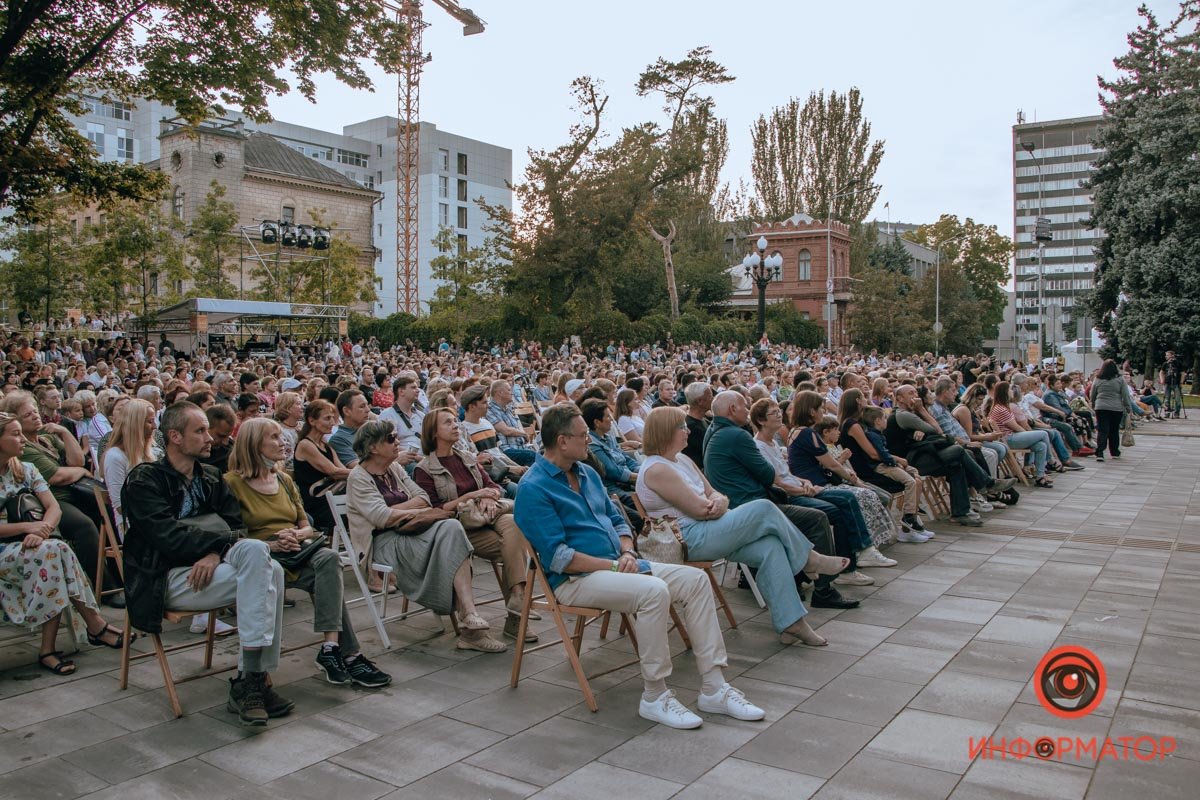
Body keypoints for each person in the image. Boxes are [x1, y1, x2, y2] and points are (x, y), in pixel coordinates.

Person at [517, 403, 773, 729]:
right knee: (653, 592)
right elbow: (560, 558)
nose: (591, 440)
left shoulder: (587, 473)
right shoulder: (534, 487)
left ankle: (714, 686)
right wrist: (614, 564)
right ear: (562, 441)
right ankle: (654, 695)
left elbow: (617, 521)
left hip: (620, 565)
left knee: (696, 581)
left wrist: (625, 550)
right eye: (583, 436)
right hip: (577, 579)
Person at [122, 402, 291, 727]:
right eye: (199, 431)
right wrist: (219, 543)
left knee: (266, 561)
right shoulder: (145, 481)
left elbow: (237, 527)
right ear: (174, 436)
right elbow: (168, 538)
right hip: (166, 579)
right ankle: (252, 681)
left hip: (211, 569)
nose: (209, 437)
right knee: (272, 569)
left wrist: (215, 552)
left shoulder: (211, 477)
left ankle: (250, 680)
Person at [635, 405, 849, 646]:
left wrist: (719, 501)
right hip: (687, 538)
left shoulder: (681, 459)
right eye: (681, 427)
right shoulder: (657, 469)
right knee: (764, 507)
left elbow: (714, 493)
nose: (688, 431)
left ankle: (792, 624)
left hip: (708, 531)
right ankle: (809, 559)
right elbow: (700, 510)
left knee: (771, 546)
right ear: (666, 431)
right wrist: (717, 503)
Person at [225, 418, 391, 688]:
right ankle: (349, 655)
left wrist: (296, 534)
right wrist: (272, 543)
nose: (283, 442)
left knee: (329, 558)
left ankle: (330, 648)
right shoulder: (232, 483)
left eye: (282, 436)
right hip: (263, 556)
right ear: (254, 444)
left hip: (296, 550)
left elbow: (306, 525)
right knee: (327, 573)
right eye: (275, 437)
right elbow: (232, 535)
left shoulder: (283, 479)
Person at [346, 420, 506, 653]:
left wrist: (404, 510)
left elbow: (424, 498)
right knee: (450, 538)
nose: (397, 441)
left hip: (412, 532)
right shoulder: (358, 477)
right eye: (391, 438)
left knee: (451, 527)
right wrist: (417, 510)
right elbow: (382, 517)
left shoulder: (394, 469)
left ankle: (469, 615)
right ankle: (471, 628)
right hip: (384, 543)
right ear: (372, 447)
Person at [0, 412, 132, 675]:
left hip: (36, 545)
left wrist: (44, 529)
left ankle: (51, 649)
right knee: (55, 551)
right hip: (6, 547)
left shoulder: (24, 469)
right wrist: (30, 527)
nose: (22, 438)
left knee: (52, 551)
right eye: (15, 434)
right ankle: (93, 626)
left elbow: (53, 507)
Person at [413, 408, 535, 642]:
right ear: (434, 432)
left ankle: (517, 597)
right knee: (514, 545)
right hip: (459, 528)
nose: (455, 425)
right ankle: (516, 617)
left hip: (489, 518)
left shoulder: (466, 457)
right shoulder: (425, 469)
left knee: (512, 524)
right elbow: (435, 510)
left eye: (455, 421)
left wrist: (488, 496)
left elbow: (494, 486)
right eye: (447, 422)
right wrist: (474, 496)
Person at [786, 391, 902, 563]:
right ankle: (864, 548)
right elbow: (831, 464)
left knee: (865, 494)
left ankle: (866, 546)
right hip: (817, 485)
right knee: (860, 495)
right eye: (821, 409)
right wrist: (853, 480)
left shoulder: (798, 431)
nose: (823, 412)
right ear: (811, 411)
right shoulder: (807, 433)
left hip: (816, 482)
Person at [100, 398, 158, 536]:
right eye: (150, 422)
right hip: (135, 526)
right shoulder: (115, 457)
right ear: (136, 425)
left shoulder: (153, 453)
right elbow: (120, 506)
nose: (155, 426)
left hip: (158, 517)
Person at [293, 398, 350, 533]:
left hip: (332, 496)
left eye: (333, 418)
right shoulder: (306, 445)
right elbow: (334, 472)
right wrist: (366, 471)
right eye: (327, 418)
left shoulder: (326, 446)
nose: (332, 422)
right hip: (319, 503)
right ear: (312, 421)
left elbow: (343, 470)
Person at [988, 382, 1054, 486]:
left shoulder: (1003, 406)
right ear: (1005, 392)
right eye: (1010, 389)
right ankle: (1051, 461)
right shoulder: (1001, 409)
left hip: (1011, 437)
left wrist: (1030, 436)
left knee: (1041, 446)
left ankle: (1040, 476)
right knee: (1044, 434)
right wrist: (1029, 435)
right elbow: (1016, 427)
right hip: (1008, 439)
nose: (1012, 391)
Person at [1089, 359, 1134, 461]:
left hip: (1101, 407)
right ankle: (1114, 451)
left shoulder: (1098, 378)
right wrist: (1128, 408)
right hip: (1116, 407)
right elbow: (1125, 394)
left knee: (1102, 430)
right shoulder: (1120, 379)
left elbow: (1093, 393)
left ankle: (1100, 452)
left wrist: (1093, 403)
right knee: (1114, 430)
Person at [486, 380, 537, 466]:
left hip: (520, 447)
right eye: (509, 390)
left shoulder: (507, 408)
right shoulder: (490, 409)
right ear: (500, 393)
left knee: (545, 453)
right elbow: (506, 431)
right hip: (506, 450)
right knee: (532, 456)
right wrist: (524, 434)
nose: (512, 393)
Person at [328, 389, 371, 467]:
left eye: (367, 405)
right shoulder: (338, 440)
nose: (368, 410)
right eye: (362, 406)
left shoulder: (372, 429)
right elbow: (358, 467)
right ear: (347, 411)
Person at [1159, 350, 1185, 418]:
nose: (1166, 356)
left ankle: (1176, 413)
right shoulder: (1165, 363)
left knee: (1177, 399)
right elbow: (1161, 372)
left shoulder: (1178, 363)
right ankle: (1167, 413)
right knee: (1167, 399)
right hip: (1167, 383)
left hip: (1176, 383)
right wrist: (1162, 380)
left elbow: (1183, 373)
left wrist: (1181, 382)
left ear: (1172, 355)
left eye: (1167, 355)